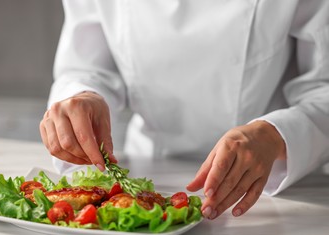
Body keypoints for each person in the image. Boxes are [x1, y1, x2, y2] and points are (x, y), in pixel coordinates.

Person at [40, 0, 329, 220]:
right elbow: (87, 67)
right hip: (145, 182)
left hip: (265, 190)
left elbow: (323, 90)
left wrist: (274, 135)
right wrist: (80, 96)